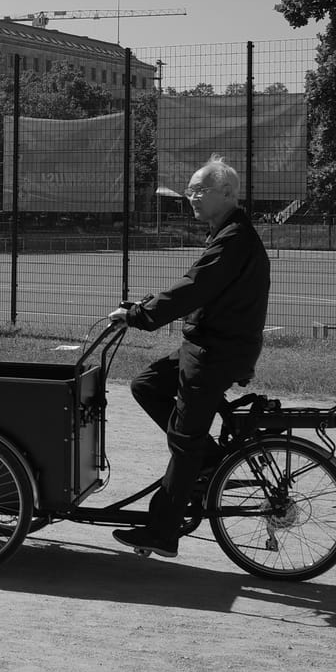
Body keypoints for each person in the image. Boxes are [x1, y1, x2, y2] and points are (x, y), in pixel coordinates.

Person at [112, 156, 269, 557]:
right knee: (147, 384)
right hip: (208, 345)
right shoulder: (227, 233)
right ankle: (210, 464)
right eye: (190, 189)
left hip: (215, 351)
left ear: (228, 194)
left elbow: (195, 287)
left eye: (199, 190)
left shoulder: (234, 238)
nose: (191, 197)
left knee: (185, 440)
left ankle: (163, 531)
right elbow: (198, 290)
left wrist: (140, 315)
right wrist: (145, 304)